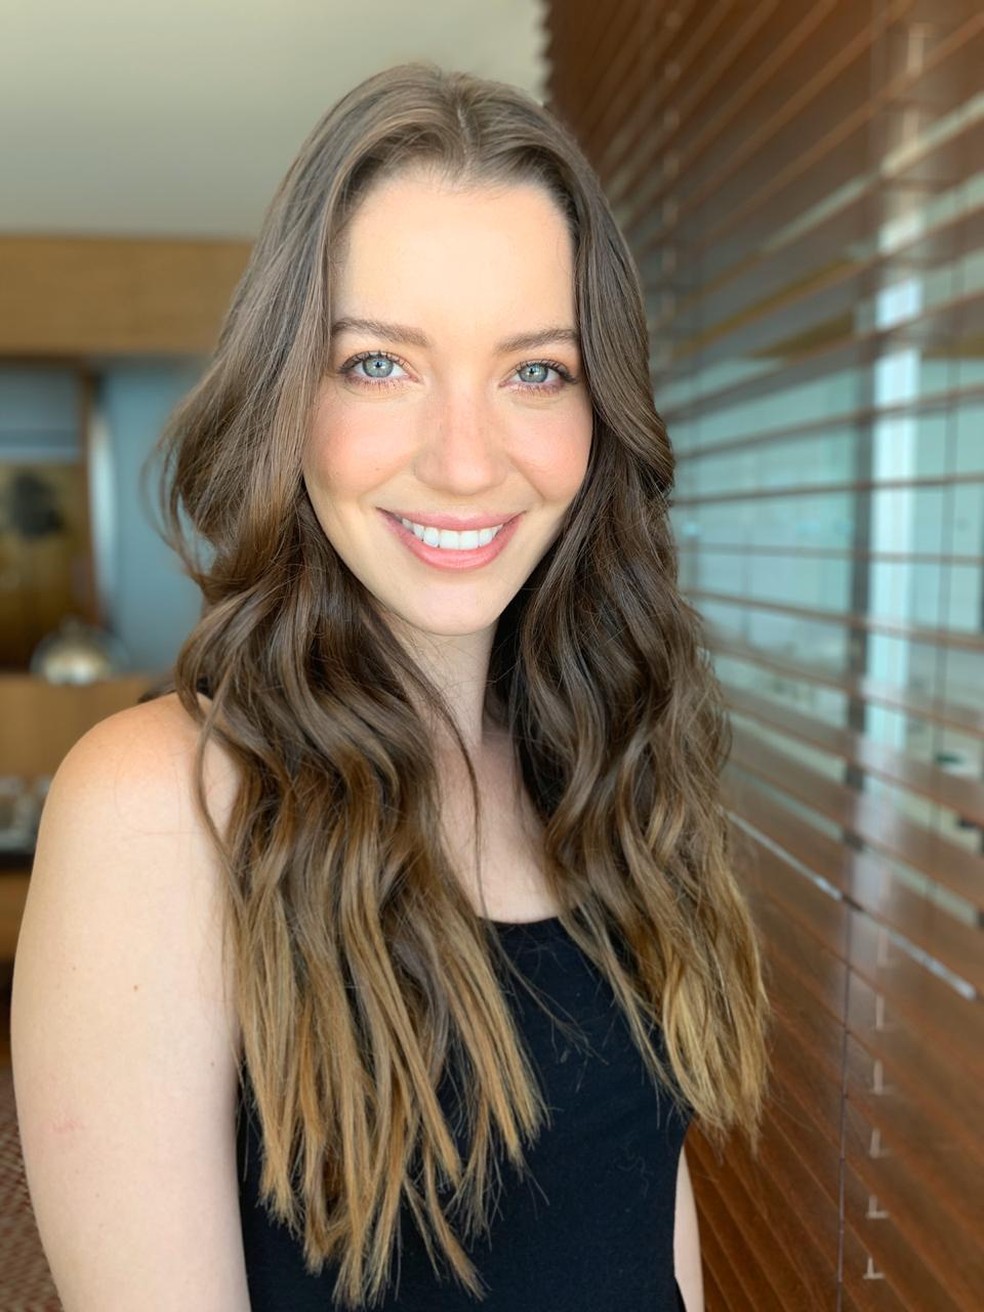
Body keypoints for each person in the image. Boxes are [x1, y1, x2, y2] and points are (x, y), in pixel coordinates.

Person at [11, 63, 768, 1312]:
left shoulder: (601, 755)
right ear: (287, 394)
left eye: (536, 370)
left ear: (602, 410)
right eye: (378, 365)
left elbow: (640, 1202)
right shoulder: (161, 809)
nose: (464, 461)